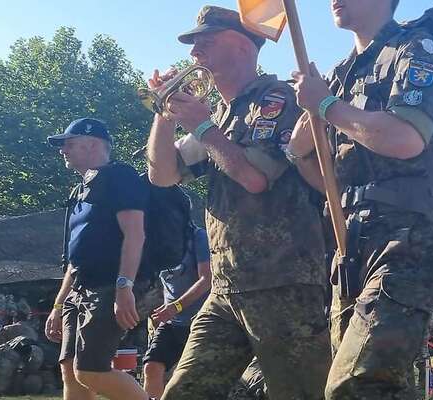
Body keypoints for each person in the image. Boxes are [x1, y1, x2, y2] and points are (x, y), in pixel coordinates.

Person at [145, 6, 331, 399]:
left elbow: (255, 178)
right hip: (228, 286)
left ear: (246, 46)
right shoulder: (220, 116)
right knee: (184, 393)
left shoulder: (277, 97)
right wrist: (164, 112)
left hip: (282, 282)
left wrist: (203, 126)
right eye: (194, 42)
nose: (195, 51)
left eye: (207, 40)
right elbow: (162, 176)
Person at [290, 0, 433, 397]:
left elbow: (405, 138)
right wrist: (302, 138)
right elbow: (320, 169)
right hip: (351, 241)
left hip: (408, 237)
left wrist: (327, 105)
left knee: (355, 385)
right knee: (380, 386)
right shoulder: (339, 74)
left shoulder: (414, 49)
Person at [44, 117, 150, 400]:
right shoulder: (79, 191)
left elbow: (135, 234)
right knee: (69, 369)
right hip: (78, 291)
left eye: (69, 144)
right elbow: (75, 258)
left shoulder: (120, 177)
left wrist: (124, 286)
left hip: (108, 286)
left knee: (90, 371)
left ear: (92, 144)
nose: (62, 150)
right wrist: (58, 303)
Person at [141, 225, 211, 398]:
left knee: (192, 380)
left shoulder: (198, 237)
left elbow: (207, 278)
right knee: (151, 367)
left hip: (201, 322)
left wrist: (176, 306)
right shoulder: (158, 243)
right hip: (171, 324)